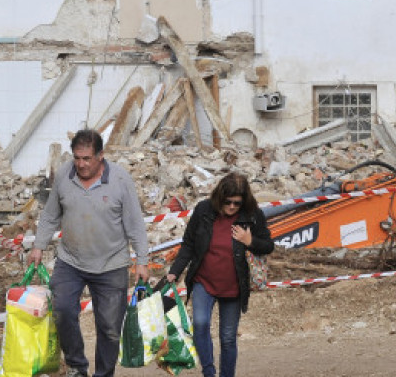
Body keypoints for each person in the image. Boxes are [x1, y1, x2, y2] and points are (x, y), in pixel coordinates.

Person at [28, 129, 150, 377]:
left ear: (101, 156)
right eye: (77, 158)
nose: (81, 164)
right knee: (62, 310)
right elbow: (51, 215)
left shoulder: (120, 180)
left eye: (87, 158)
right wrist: (38, 245)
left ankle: (103, 374)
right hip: (70, 260)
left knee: (109, 328)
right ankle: (77, 366)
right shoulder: (64, 176)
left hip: (111, 263)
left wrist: (142, 261)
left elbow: (135, 223)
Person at [164, 172, 273, 377]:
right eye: (228, 202)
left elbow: (268, 245)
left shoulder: (252, 215)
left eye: (237, 203)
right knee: (200, 323)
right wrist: (174, 272)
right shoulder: (204, 210)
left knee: (228, 338)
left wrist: (250, 241)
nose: (232, 207)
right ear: (219, 198)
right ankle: (208, 371)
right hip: (203, 281)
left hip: (234, 286)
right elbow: (188, 244)